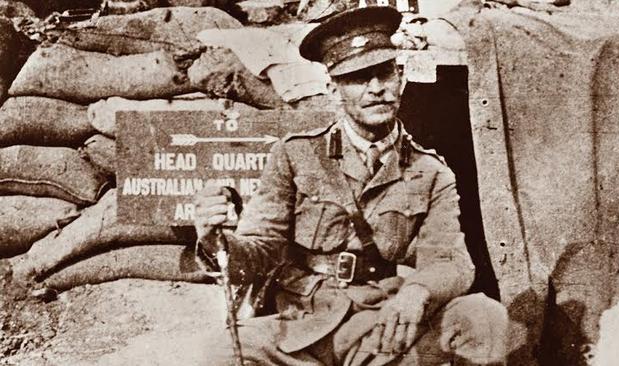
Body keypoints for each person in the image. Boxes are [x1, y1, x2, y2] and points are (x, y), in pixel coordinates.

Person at [194, 6, 508, 366]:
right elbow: (260, 249)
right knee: (217, 354)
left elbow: (451, 262)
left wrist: (418, 291)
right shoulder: (295, 155)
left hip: (384, 328)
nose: (376, 89)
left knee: (483, 316)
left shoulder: (431, 171)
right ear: (333, 89)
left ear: (400, 78)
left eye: (384, 73)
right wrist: (215, 240)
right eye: (358, 78)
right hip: (302, 327)